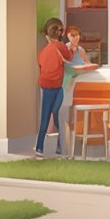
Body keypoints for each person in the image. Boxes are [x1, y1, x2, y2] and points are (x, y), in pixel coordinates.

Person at [34, 18, 73, 158]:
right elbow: (69, 58)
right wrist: (71, 47)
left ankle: (40, 147)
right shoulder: (60, 46)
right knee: (56, 115)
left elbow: (40, 65)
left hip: (45, 87)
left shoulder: (43, 51)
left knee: (46, 116)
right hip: (56, 88)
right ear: (59, 32)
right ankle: (58, 147)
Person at [58, 25, 96, 139]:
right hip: (67, 83)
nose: (75, 38)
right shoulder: (64, 49)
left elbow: (87, 63)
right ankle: (63, 137)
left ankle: (73, 136)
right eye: (72, 35)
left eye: (77, 35)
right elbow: (61, 65)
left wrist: (91, 66)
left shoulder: (80, 50)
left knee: (75, 111)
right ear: (67, 36)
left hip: (78, 83)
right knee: (65, 110)